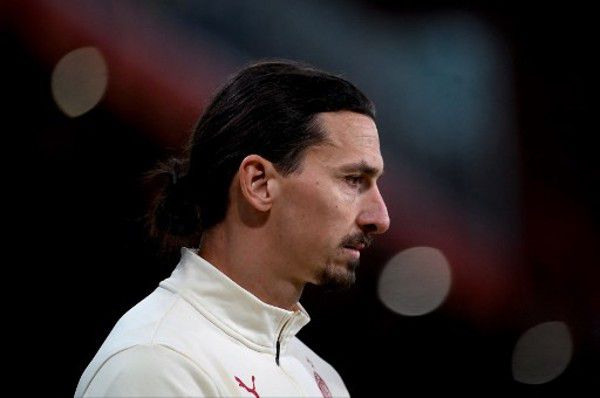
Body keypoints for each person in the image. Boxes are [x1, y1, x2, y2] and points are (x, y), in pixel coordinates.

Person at [74, 59, 390, 397]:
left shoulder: (322, 379)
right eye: (354, 180)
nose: (381, 218)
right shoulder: (157, 363)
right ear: (259, 183)